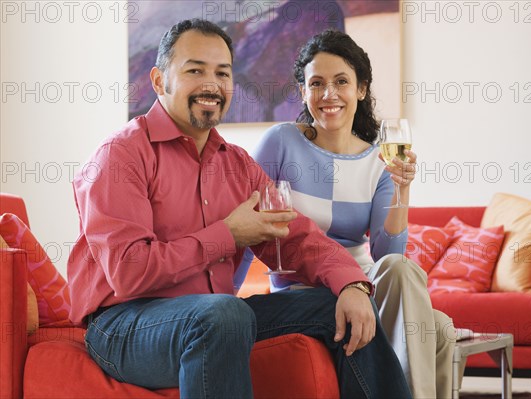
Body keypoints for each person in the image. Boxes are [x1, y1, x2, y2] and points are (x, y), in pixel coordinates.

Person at [66, 19, 412, 399]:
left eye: (222, 73)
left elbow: (297, 236)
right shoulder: (120, 156)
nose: (211, 84)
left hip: (214, 318)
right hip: (124, 326)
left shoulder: (236, 165)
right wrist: (227, 234)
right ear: (160, 81)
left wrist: (352, 283)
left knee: (339, 304)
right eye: (195, 70)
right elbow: (129, 272)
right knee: (223, 313)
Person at [236, 29, 456, 398]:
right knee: (438, 329)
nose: (328, 94)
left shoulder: (379, 158)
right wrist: (223, 296)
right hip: (304, 290)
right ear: (303, 91)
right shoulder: (281, 142)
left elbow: (389, 257)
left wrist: (402, 189)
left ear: (361, 89)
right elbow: (245, 218)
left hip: (362, 283)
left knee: (415, 290)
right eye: (316, 83)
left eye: (341, 81)